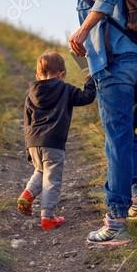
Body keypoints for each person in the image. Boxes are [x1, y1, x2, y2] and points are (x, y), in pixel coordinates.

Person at [42, 0, 137, 246]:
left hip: (120, 67)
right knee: (126, 133)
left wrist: (82, 30)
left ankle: (115, 222)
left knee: (117, 138)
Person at [18, 51, 97, 230]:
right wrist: (89, 79)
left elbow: (27, 120)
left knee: (40, 170)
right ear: (61, 74)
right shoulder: (65, 88)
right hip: (53, 143)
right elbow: (87, 97)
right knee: (52, 179)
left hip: (33, 142)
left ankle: (28, 194)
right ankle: (47, 217)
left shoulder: (30, 93)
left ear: (38, 74)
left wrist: (28, 149)